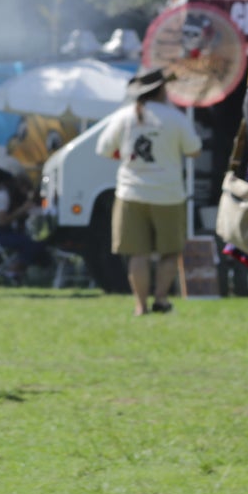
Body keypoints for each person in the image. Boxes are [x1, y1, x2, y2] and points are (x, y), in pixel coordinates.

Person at [95, 66, 202, 314]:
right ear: (162, 89)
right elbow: (193, 150)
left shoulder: (124, 116)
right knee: (169, 251)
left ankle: (140, 306)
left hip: (131, 192)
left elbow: (103, 148)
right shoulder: (175, 117)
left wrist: (125, 156)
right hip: (168, 193)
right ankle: (161, 299)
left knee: (138, 253)